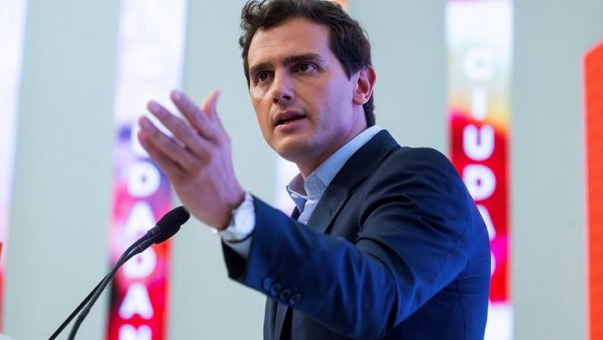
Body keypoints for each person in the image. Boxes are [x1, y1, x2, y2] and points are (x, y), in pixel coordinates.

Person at [137, 0, 491, 339]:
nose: (279, 91)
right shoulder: (304, 215)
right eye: (262, 75)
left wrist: (236, 212)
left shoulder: (419, 177)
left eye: (303, 66)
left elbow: (372, 300)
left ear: (362, 85)